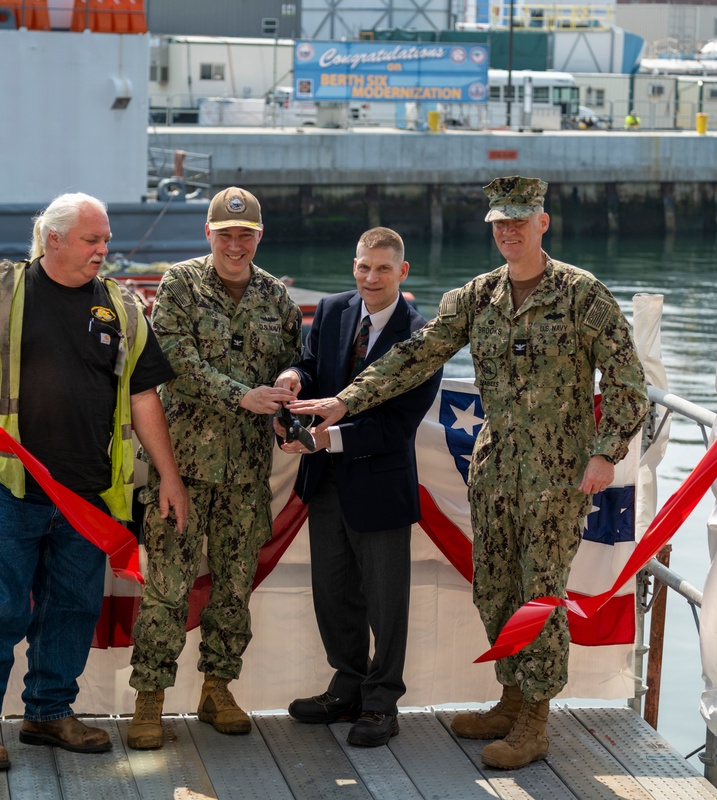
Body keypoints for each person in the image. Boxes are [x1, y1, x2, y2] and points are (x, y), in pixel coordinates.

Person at [289, 176, 649, 770]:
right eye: (499, 224)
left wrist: (606, 452)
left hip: (557, 474)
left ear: (543, 223)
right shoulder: (477, 296)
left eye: (520, 221)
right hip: (495, 469)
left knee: (539, 593)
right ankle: (511, 699)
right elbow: (414, 355)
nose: (508, 232)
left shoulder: (581, 293)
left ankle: (535, 721)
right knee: (497, 590)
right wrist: (345, 402)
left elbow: (627, 379)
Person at [0, 192, 189, 771]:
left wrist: (169, 478)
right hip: (9, 486)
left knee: (74, 607)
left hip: (89, 495)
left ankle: (49, 713)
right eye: (91, 240)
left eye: (105, 240)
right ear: (52, 240)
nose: (104, 250)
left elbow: (145, 395)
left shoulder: (122, 308)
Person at [126, 186, 302, 748]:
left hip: (247, 475)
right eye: (225, 234)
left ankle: (217, 688)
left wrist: (290, 381)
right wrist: (239, 396)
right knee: (167, 590)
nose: (234, 244)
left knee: (233, 590)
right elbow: (175, 358)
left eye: (244, 234)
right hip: (183, 470)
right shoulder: (180, 284)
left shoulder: (276, 297)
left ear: (258, 237)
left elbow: (295, 358)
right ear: (209, 234)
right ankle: (149, 699)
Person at [275, 227, 442, 748]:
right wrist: (292, 377)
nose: (371, 278)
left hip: (379, 487)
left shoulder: (422, 337)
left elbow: (397, 425)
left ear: (403, 273)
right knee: (332, 593)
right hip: (324, 483)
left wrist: (328, 439)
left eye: (383, 269)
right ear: (354, 267)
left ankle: (381, 702)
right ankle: (346, 686)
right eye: (364, 267)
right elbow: (312, 366)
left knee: (386, 602)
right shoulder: (330, 310)